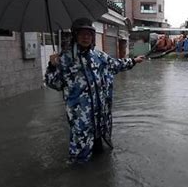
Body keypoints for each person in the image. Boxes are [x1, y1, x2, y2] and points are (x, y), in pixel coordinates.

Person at [45, 18, 145, 164]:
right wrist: (52, 65)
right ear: (75, 36)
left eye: (89, 34)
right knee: (80, 159)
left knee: (101, 156)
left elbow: (116, 65)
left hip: (100, 117)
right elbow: (53, 83)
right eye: (82, 34)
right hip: (81, 119)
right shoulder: (65, 59)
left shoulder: (98, 56)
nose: (86, 37)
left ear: (92, 37)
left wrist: (134, 60)